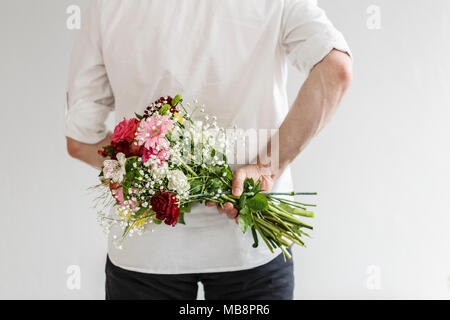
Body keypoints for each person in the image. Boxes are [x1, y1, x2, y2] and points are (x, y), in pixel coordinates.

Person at [65, 0, 352, 300]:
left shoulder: (108, 6)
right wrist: (267, 168)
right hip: (252, 243)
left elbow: (80, 140)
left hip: (148, 251)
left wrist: (142, 174)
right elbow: (336, 71)